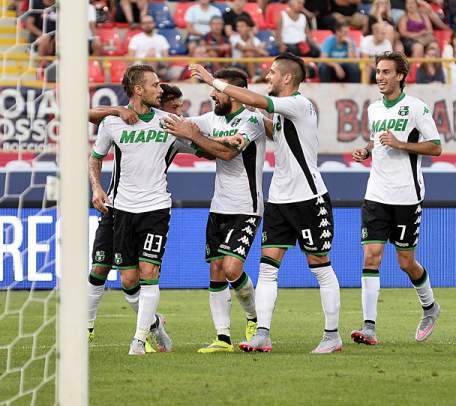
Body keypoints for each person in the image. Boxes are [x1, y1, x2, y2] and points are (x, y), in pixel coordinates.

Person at [190, 53, 342, 354]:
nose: (267, 76)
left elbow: (259, 102)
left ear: (287, 78)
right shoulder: (283, 114)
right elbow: (272, 127)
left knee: (320, 267)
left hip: (308, 197)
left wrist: (212, 80)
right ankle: (262, 334)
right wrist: (250, 123)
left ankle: (332, 336)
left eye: (272, 72)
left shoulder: (299, 104)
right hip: (279, 199)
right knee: (268, 268)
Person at [162, 68, 270, 353]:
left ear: (233, 93)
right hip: (219, 206)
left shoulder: (252, 120)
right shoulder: (210, 120)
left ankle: (254, 318)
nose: (212, 95)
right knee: (216, 269)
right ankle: (222, 338)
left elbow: (228, 153)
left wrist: (195, 136)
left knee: (233, 269)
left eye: (217, 91)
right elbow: (179, 125)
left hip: (247, 206)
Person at [90, 64, 191, 356]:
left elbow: (201, 139)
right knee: (128, 280)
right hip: (121, 209)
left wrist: (223, 142)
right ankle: (155, 323)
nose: (160, 89)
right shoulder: (113, 123)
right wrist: (96, 188)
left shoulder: (168, 122)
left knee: (149, 272)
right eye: (155, 84)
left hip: (156, 208)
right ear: (138, 89)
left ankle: (138, 340)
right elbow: (95, 156)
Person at [351, 51, 442, 345]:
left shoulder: (416, 108)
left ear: (401, 76)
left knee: (406, 262)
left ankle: (430, 307)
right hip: (376, 193)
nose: (380, 77)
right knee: (371, 255)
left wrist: (401, 144)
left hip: (406, 196)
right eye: (378, 71)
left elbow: (436, 146)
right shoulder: (374, 109)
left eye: (386, 72)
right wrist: (366, 150)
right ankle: (369, 327)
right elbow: (376, 140)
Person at [230, 16, 268, 81]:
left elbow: (263, 54)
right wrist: (257, 49)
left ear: (248, 27)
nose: (239, 29)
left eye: (242, 26)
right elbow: (243, 48)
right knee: (248, 54)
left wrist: (251, 37)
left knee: (253, 55)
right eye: (238, 26)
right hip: (238, 65)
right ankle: (254, 77)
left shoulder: (255, 39)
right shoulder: (233, 38)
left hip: (253, 65)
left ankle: (258, 77)